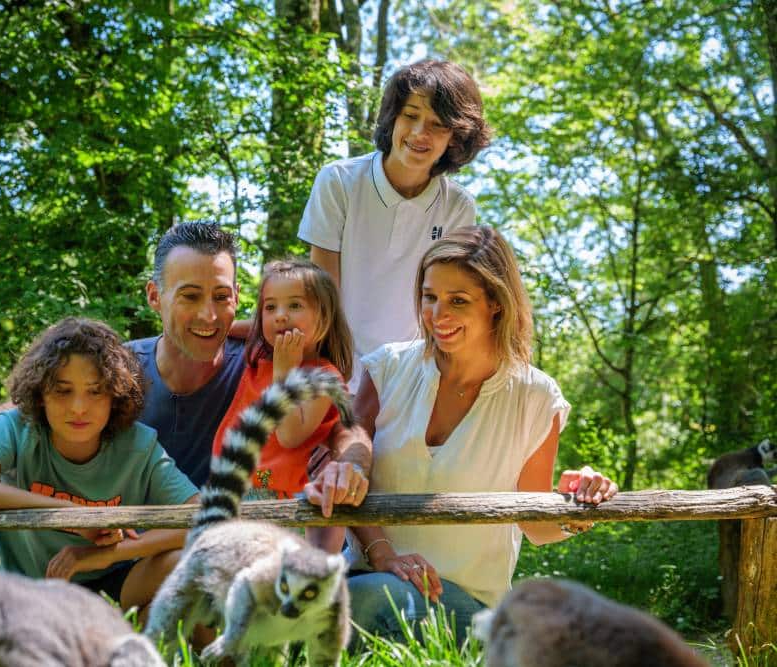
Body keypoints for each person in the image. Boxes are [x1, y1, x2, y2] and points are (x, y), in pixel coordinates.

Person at [0, 223, 371, 530]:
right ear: (154, 296)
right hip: (93, 544)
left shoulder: (257, 368)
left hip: (180, 553)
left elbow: (342, 422)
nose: (209, 315)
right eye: (190, 296)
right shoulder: (114, 370)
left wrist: (346, 462)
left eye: (222, 297)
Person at [345, 226, 618, 644]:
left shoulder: (535, 397)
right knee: (336, 601)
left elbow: (535, 525)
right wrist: (384, 555)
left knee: (363, 605)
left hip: (467, 603)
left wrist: (577, 506)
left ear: (495, 303)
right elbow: (350, 467)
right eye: (429, 297)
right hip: (368, 575)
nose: (438, 315)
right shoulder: (386, 370)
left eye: (458, 301)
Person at [0, 317, 198, 613]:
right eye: (63, 390)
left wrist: (102, 555)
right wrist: (71, 515)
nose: (78, 407)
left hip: (105, 589)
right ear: (40, 394)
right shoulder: (16, 427)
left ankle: (119, 634)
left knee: (183, 560)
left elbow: (203, 518)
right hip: (18, 591)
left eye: (95, 390)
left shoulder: (138, 444)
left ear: (115, 395)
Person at [298, 59, 492, 391]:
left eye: (437, 124)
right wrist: (333, 373)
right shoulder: (339, 182)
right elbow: (322, 296)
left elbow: (445, 306)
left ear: (457, 136)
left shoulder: (458, 207)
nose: (420, 133)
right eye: (411, 115)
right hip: (335, 367)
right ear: (393, 118)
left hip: (409, 379)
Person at [211, 258, 353, 552]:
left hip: (283, 502)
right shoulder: (261, 353)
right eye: (270, 307)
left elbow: (290, 436)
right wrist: (218, 327)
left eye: (295, 306)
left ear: (324, 317)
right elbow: (245, 328)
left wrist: (285, 373)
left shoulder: (323, 376)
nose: (280, 316)